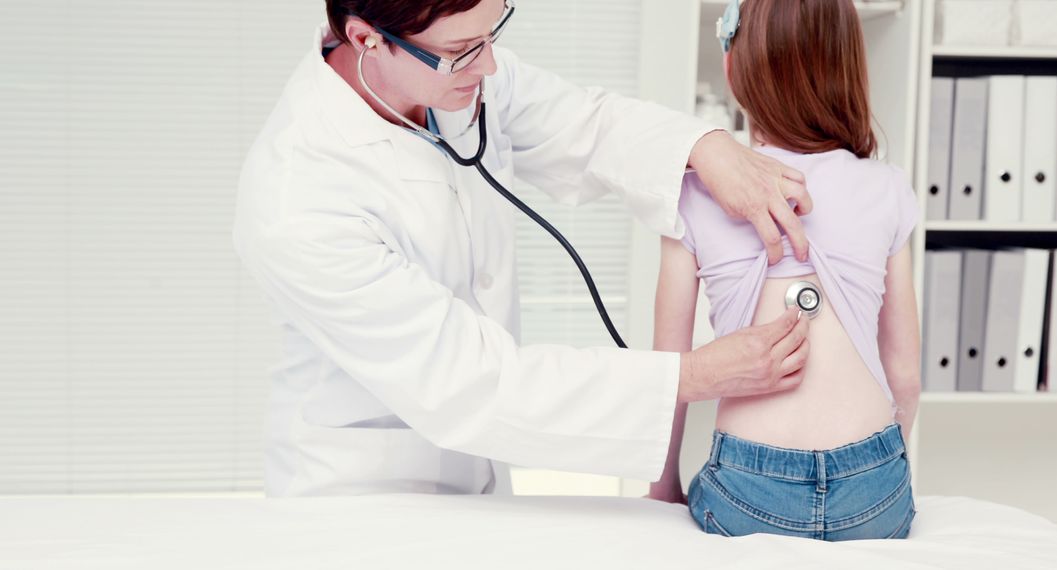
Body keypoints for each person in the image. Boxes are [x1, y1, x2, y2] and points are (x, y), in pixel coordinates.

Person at [233, 0, 813, 497]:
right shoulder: (299, 194)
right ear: (366, 40)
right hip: (363, 496)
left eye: (494, 32)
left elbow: (588, 125)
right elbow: (474, 383)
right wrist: (694, 376)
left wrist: (706, 146)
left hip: (480, 483)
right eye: (463, 49)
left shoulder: (450, 66)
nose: (488, 64)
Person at [647, 0, 921, 541]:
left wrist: (662, 488)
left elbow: (669, 374)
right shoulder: (887, 188)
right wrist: (884, 473)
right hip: (874, 484)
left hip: (748, 484)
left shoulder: (693, 195)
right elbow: (905, 377)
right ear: (848, 70)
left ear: (733, 68)